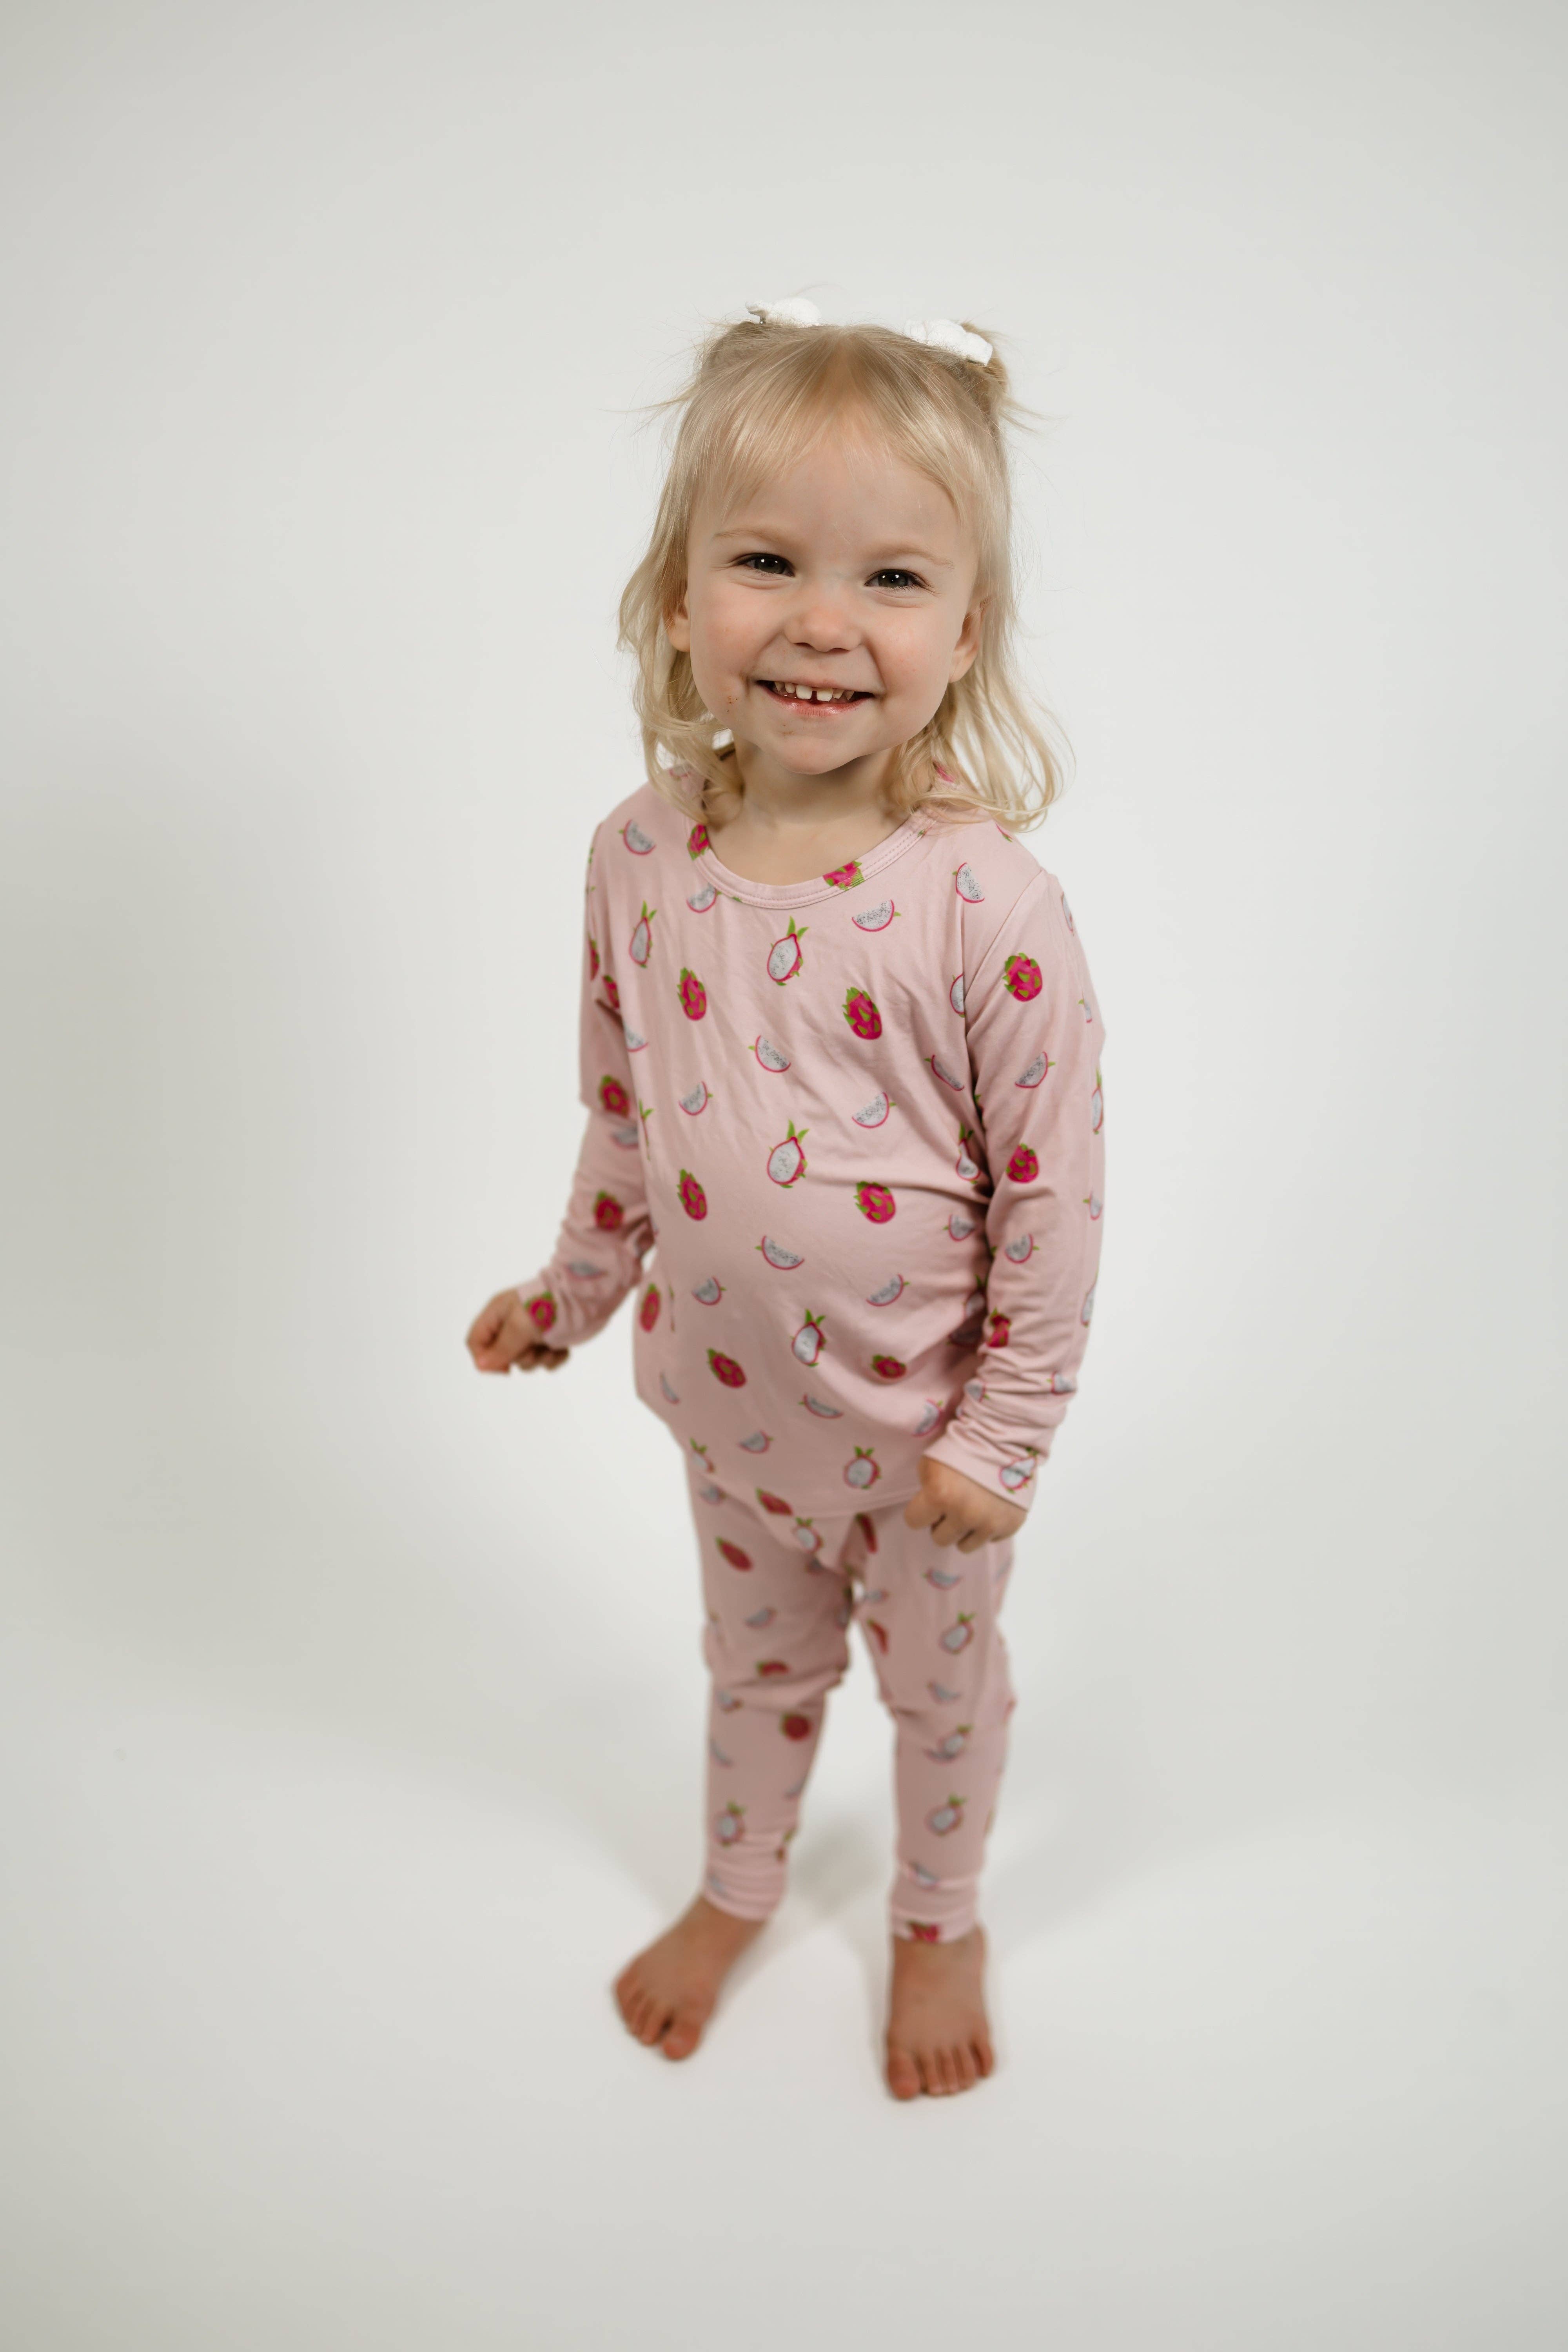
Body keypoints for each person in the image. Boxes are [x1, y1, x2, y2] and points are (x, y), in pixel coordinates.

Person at [466, 300, 1107, 2100]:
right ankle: (740, 1884)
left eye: (890, 579)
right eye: (766, 562)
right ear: (679, 595)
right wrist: (569, 1294)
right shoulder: (637, 856)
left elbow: (1055, 1198)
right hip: (732, 1422)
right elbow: (626, 1115)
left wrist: (1006, 1433)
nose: (824, 622)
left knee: (940, 1698)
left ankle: (938, 1915)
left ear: (965, 629)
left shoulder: (984, 903)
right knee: (750, 1677)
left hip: (926, 1454)